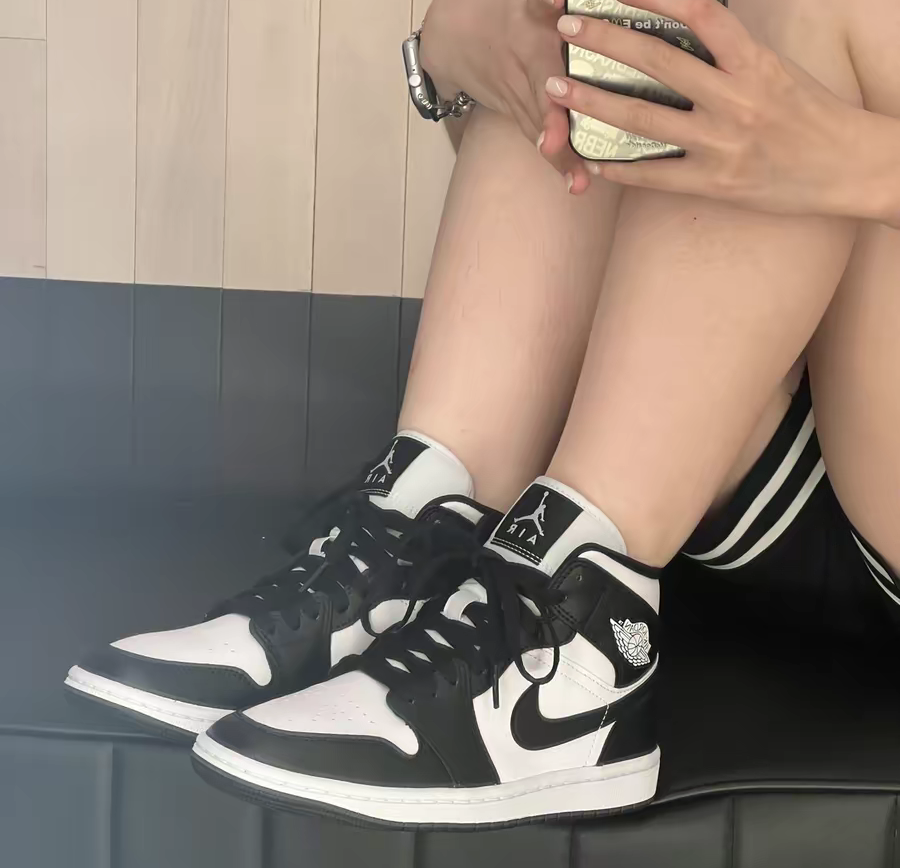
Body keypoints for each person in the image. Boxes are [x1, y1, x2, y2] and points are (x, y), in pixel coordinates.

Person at [67, 0, 900, 829]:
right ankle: (430, 536)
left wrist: (855, 162)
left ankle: (576, 646)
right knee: (615, 20)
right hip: (740, 426)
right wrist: (465, 40)